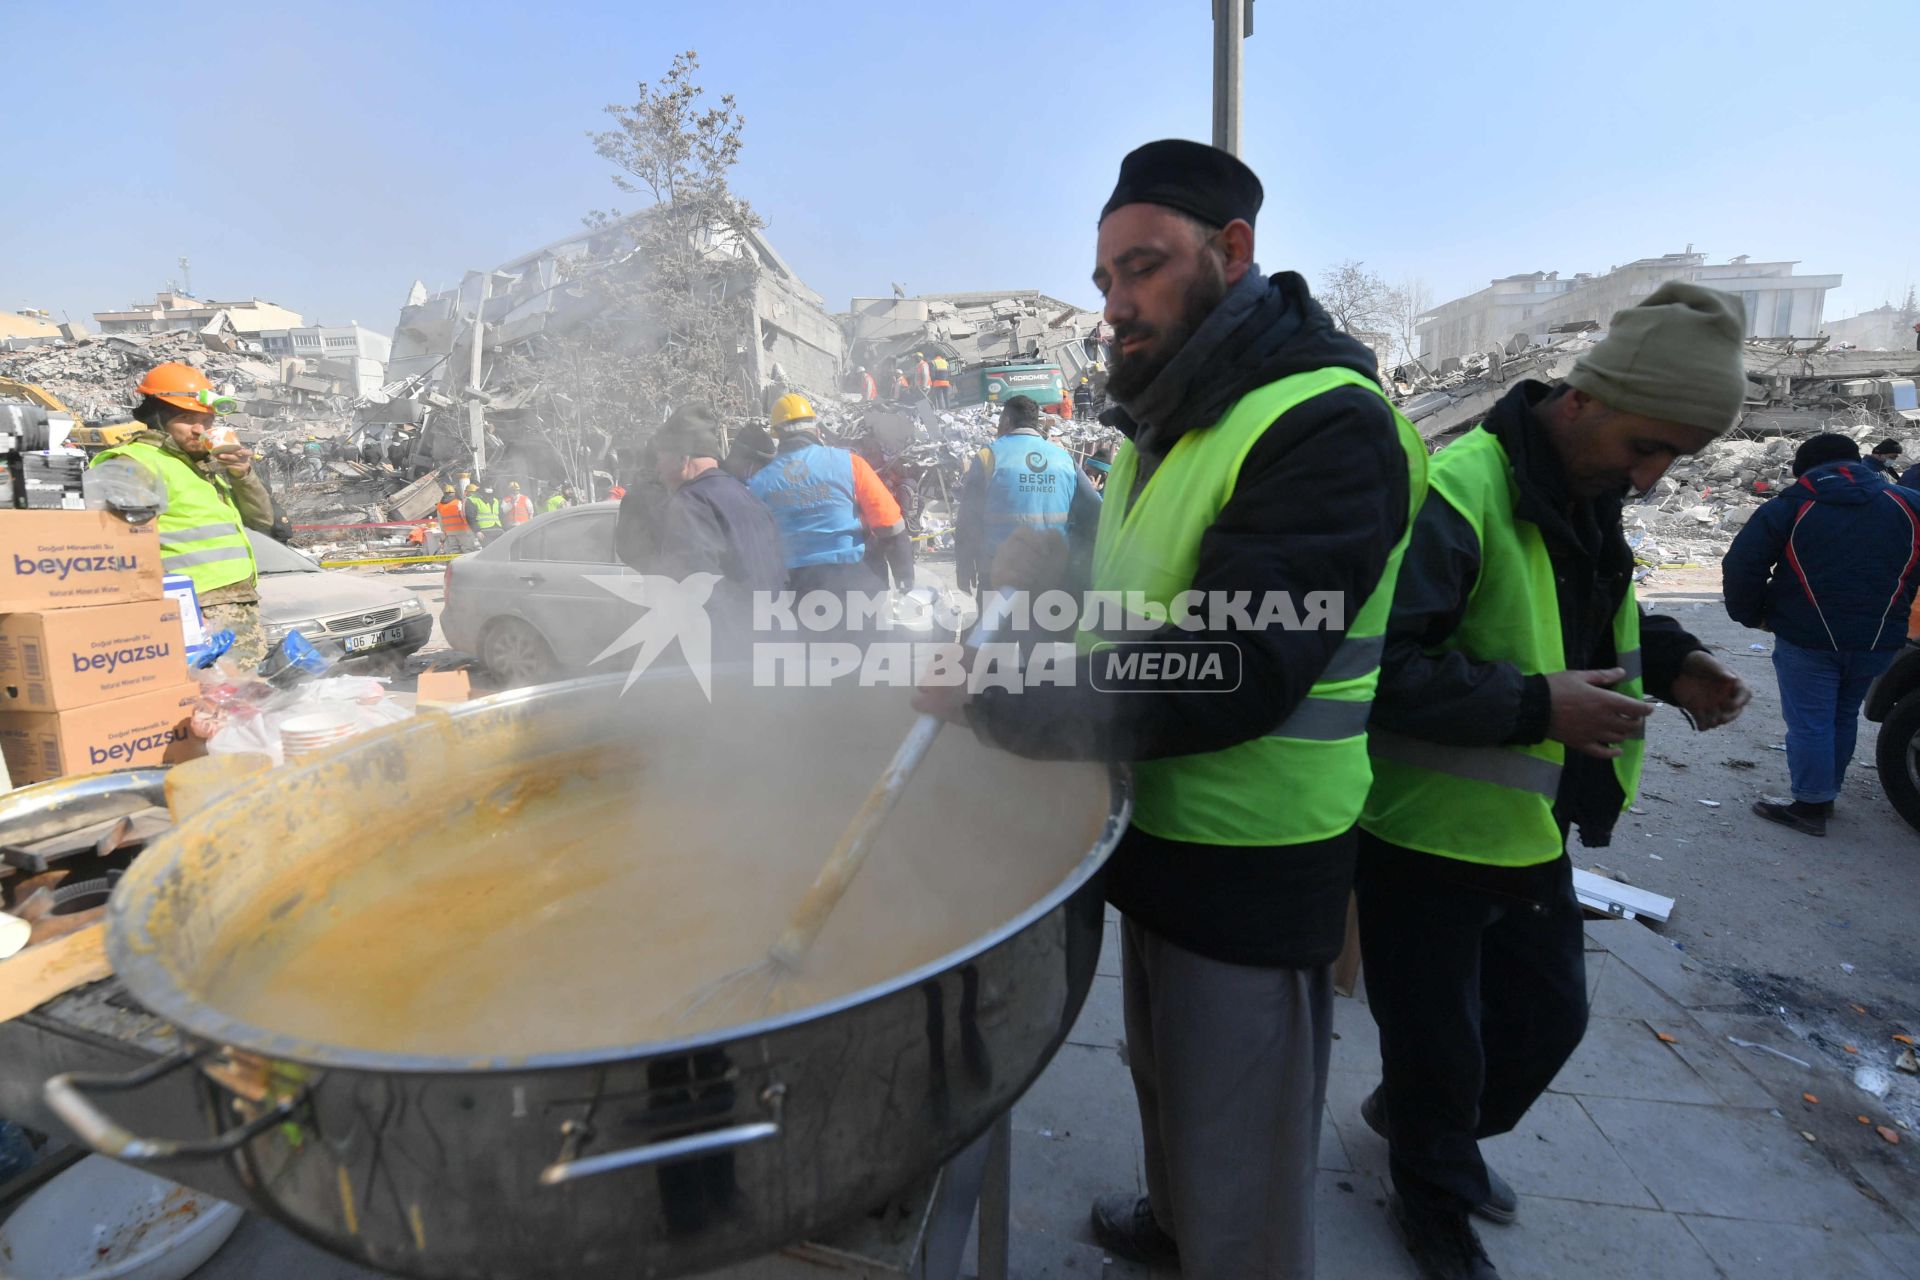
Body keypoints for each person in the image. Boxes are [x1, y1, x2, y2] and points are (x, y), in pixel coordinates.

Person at [913, 139, 1426, 1278]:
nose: (1114, 305)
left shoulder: (1323, 423)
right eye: (1102, 281)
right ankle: (1178, 1221)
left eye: (1139, 268)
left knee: (1240, 1121)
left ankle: (1227, 1246)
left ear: (1231, 250)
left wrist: (1002, 696)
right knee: (1168, 1075)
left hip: (1256, 851)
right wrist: (1062, 556)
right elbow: (1152, 590)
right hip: (1158, 825)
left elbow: (1234, 661)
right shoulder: (1182, 412)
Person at [1357, 282, 1755, 1280]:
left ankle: (1421, 1128)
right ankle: (1432, 1193)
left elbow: (1582, 619)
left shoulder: (1587, 493)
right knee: (1440, 1040)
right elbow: (1381, 667)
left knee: (1545, 1020)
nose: (1655, 477)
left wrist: (1670, 657)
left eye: (1673, 457)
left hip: (1528, 829)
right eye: (1646, 448)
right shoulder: (1462, 489)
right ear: (1584, 398)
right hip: (1423, 832)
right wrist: (1541, 708)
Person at [1724, 432, 1920, 836]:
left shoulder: (1790, 506)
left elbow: (1742, 566)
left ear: (1805, 469)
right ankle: (1825, 791)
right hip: (1880, 637)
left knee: (1811, 722)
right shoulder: (1907, 503)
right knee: (1842, 715)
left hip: (1807, 636)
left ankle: (1811, 805)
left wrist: (1753, 614)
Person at [91, 362, 278, 667]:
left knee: (243, 701)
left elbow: (261, 522)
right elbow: (117, 550)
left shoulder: (202, 466)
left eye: (206, 420)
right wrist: (175, 613)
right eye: (185, 418)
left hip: (235, 602)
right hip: (195, 611)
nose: (199, 429)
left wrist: (242, 474)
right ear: (157, 419)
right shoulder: (135, 462)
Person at [629, 405, 788, 651]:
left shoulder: (689, 504)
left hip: (724, 656)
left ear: (683, 459)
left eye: (661, 458)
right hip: (768, 646)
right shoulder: (750, 498)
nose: (657, 470)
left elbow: (693, 593)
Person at [748, 393, 907, 608]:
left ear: (776, 435)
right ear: (815, 428)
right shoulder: (850, 464)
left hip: (795, 591)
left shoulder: (758, 483)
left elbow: (753, 544)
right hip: (855, 583)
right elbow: (890, 525)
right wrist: (905, 577)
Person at [954, 394, 1101, 595]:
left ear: (1006, 421)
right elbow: (1094, 513)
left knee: (997, 626)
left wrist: (964, 564)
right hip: (1053, 575)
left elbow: (968, 517)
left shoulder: (989, 457)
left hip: (999, 575)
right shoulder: (1064, 459)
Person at [436, 484, 479, 552]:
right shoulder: (459, 503)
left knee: (454, 550)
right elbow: (464, 516)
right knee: (467, 549)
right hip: (462, 531)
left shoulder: (439, 505)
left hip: (449, 532)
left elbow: (440, 521)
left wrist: (444, 532)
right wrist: (470, 530)